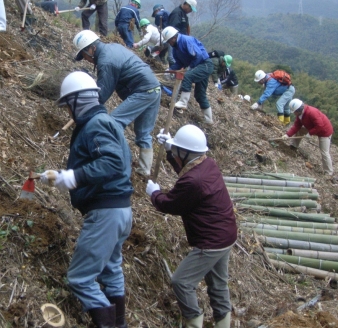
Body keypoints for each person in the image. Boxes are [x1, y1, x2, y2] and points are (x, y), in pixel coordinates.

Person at [40, 71, 133, 328]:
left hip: (106, 213)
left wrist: (73, 177)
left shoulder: (96, 125)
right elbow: (115, 162)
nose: (68, 112)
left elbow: (112, 162)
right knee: (111, 270)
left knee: (80, 278)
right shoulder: (107, 122)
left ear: (78, 101)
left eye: (68, 105)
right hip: (121, 211)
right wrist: (64, 176)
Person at [146, 124, 237, 328]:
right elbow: (186, 170)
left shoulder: (193, 182)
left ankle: (194, 322)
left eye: (178, 150)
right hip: (226, 234)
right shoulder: (208, 165)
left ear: (186, 152)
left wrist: (154, 193)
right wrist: (171, 150)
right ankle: (224, 323)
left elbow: (170, 204)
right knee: (218, 284)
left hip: (211, 240)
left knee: (181, 282)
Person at [73, 30, 161, 176]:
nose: (86, 59)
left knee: (113, 123)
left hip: (143, 91)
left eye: (84, 55)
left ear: (91, 48)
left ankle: (114, 162)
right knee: (143, 133)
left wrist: (83, 111)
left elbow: (102, 95)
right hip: (153, 88)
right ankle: (144, 171)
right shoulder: (111, 48)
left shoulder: (106, 61)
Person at [161, 26, 214, 124]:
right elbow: (179, 63)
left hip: (204, 64)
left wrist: (190, 68)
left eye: (169, 41)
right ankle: (209, 120)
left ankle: (183, 102)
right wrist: (170, 70)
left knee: (187, 76)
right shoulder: (175, 49)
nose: (169, 43)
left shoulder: (186, 40)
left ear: (173, 37)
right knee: (200, 95)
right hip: (198, 67)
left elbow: (198, 56)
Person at [282, 99, 334, 175]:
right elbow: (297, 126)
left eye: (294, 112)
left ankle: (329, 172)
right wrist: (287, 135)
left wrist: (310, 133)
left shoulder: (312, 112)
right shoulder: (300, 115)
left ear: (298, 110)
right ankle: (293, 146)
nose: (294, 114)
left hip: (324, 131)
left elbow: (320, 125)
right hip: (312, 127)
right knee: (300, 130)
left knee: (324, 152)